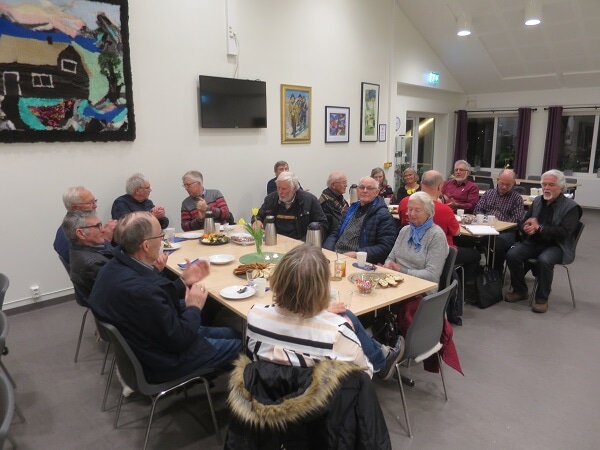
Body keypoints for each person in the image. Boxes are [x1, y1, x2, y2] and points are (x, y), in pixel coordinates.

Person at [88, 212, 242, 383]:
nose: (162, 240)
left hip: (151, 342)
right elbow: (179, 339)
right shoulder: (141, 291)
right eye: (160, 236)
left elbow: (156, 301)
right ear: (146, 245)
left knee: (235, 333)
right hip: (163, 360)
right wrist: (194, 307)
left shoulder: (114, 267)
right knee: (244, 346)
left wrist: (183, 281)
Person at [245, 244, 404, 381]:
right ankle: (383, 358)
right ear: (322, 288)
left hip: (265, 398)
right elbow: (365, 375)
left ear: (277, 279)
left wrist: (322, 315)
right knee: (348, 317)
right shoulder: (337, 332)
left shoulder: (254, 317)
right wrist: (332, 322)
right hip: (318, 404)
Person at [505, 170, 582, 313]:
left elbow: (564, 232)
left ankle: (542, 299)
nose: (546, 188)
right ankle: (520, 290)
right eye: (544, 184)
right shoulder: (538, 201)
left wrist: (539, 228)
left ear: (561, 187)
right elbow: (524, 221)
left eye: (551, 185)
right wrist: (526, 228)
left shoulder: (571, 207)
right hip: (535, 242)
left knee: (544, 260)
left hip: (557, 245)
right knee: (512, 254)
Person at [323, 176, 396, 265]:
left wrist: (357, 254)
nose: (364, 191)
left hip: (357, 261)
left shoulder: (383, 215)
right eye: (362, 187)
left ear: (376, 192)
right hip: (337, 256)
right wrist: (327, 250)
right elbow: (335, 232)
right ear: (357, 190)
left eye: (369, 188)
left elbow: (385, 247)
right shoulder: (351, 209)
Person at [385, 191, 449, 286]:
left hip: (422, 287)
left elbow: (432, 275)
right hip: (397, 281)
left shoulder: (436, 235)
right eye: (410, 209)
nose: (412, 214)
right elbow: (390, 258)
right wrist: (388, 265)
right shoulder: (405, 230)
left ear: (429, 213)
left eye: (417, 210)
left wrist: (401, 270)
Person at [53, 186, 117, 272]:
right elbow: (94, 262)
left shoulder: (69, 226)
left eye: (94, 201)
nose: (95, 206)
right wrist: (106, 239)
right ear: (75, 208)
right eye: (90, 203)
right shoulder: (68, 236)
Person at [474, 169, 525, 272]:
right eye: (502, 183)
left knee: (497, 243)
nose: (504, 187)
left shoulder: (517, 198)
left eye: (508, 184)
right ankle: (475, 270)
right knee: (468, 239)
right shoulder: (489, 193)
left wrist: (499, 225)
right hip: (485, 228)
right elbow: (477, 210)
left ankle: (496, 272)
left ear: (513, 183)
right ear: (497, 180)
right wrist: (484, 220)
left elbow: (517, 219)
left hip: (506, 232)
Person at [256, 171, 328, 241]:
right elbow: (258, 216)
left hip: (300, 242)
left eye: (284, 189)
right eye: (278, 187)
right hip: (275, 240)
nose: (280, 192)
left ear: (294, 189)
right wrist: (257, 221)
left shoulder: (310, 200)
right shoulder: (271, 199)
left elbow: (323, 224)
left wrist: (307, 240)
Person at [62, 211, 115, 299]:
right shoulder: (93, 264)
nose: (103, 230)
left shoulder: (77, 248)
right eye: (97, 226)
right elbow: (119, 291)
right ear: (80, 233)